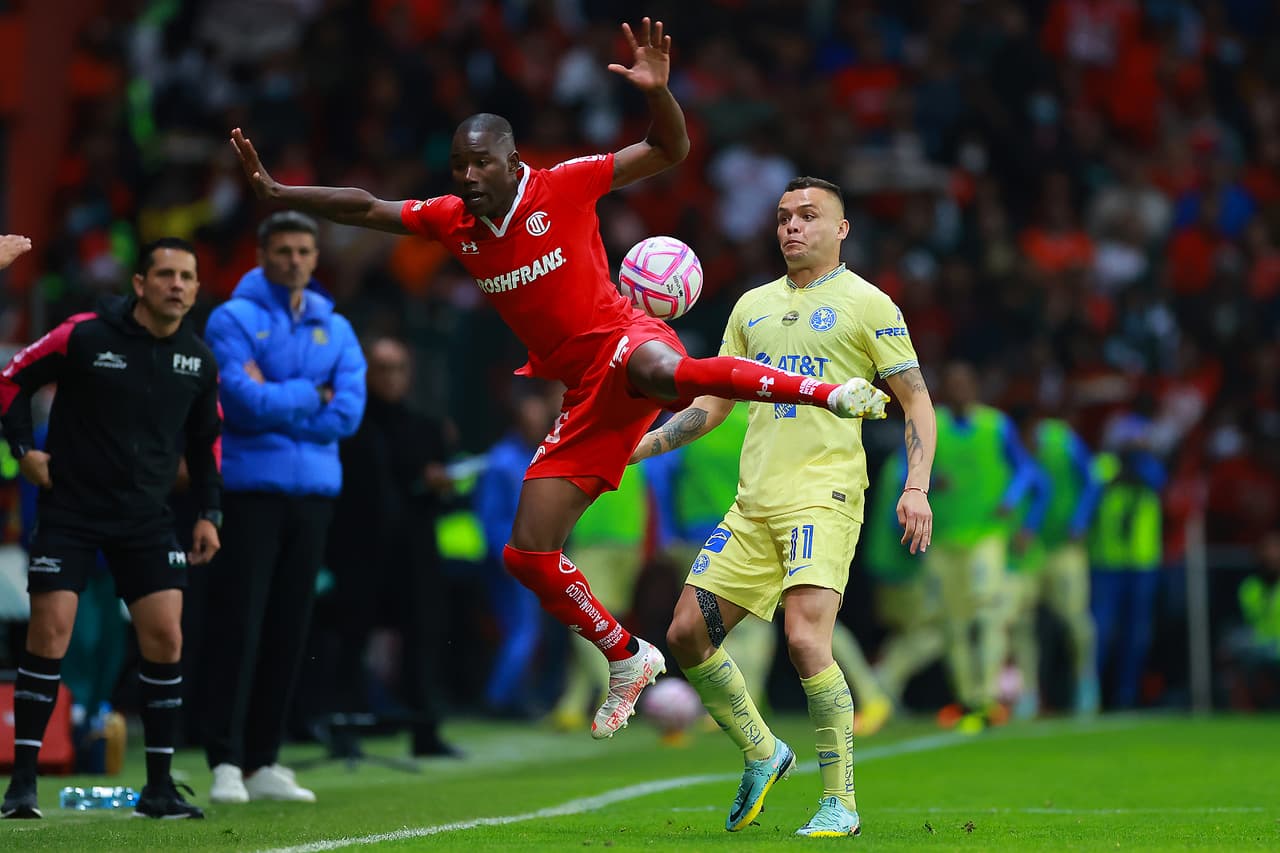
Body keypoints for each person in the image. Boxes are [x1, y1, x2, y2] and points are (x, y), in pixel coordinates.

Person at [229, 18, 885, 738]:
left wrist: (660, 94)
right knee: (526, 553)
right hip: (581, 392)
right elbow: (366, 206)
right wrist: (280, 190)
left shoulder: (566, 185)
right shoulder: (453, 222)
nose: (468, 178)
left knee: (673, 368)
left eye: (481, 163)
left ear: (513, 161)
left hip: (623, 338)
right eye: (458, 166)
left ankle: (829, 392)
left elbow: (671, 149)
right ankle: (627, 654)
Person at [631, 176, 936, 837]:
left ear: (841, 228)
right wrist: (640, 448)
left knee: (804, 638)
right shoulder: (752, 307)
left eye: (808, 215)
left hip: (823, 496)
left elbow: (915, 399)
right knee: (685, 632)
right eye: (783, 217)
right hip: (754, 504)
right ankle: (763, 750)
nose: (793, 226)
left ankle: (841, 802)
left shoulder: (868, 303)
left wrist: (915, 485)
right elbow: (713, 404)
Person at [0, 237, 222, 820]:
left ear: (197, 290)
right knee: (50, 636)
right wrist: (23, 450)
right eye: (166, 274)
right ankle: (22, 786)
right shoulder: (84, 334)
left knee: (166, 639)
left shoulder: (198, 361)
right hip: (71, 512)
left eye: (187, 277)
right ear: (140, 284)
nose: (177, 284)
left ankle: (159, 789)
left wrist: (209, 513)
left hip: (146, 519)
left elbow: (206, 445)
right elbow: (10, 380)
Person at [200, 211, 366, 803]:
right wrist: (310, 395)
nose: (294, 260)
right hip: (251, 492)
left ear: (315, 259)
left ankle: (264, 760)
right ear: (262, 255)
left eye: (303, 251)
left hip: (314, 496)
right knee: (238, 625)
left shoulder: (336, 328)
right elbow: (239, 405)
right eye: (282, 251)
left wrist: (279, 394)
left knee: (289, 627)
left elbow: (347, 413)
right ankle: (224, 758)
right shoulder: (232, 319)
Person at [324, 336, 457, 756]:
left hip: (414, 554)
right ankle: (343, 729)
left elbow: (442, 497)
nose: (390, 377)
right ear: (366, 373)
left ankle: (425, 732)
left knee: (422, 641)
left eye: (398, 367)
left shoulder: (427, 428)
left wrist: (440, 485)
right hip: (359, 551)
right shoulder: (350, 427)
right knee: (351, 641)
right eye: (381, 368)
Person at [926, 364, 1041, 734]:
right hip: (944, 538)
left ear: (975, 388)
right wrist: (925, 478)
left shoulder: (997, 426)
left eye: (965, 383)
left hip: (986, 535)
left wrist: (1011, 498)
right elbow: (902, 469)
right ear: (944, 388)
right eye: (952, 384)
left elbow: (1027, 471)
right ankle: (968, 699)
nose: (959, 390)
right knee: (953, 624)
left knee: (989, 613)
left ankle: (989, 695)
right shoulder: (932, 424)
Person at [1006, 409, 1104, 718]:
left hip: (1064, 548)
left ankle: (1086, 682)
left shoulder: (1063, 441)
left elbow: (1094, 479)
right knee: (1021, 623)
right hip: (1030, 549)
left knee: (1075, 620)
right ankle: (1028, 693)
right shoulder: (1013, 449)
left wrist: (1081, 519)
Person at [474, 390, 556, 717]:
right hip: (511, 558)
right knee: (523, 629)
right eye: (530, 419)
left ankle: (511, 695)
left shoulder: (537, 456)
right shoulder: (501, 462)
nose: (535, 425)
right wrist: (505, 555)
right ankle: (499, 698)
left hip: (534, 555)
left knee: (521, 629)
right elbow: (489, 516)